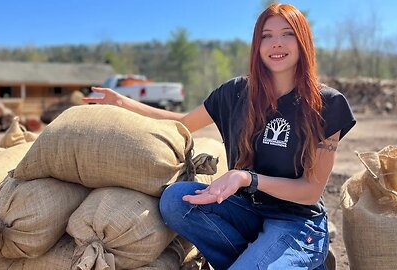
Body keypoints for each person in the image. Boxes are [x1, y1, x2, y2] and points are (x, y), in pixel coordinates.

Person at [83, 3, 356, 269]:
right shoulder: (235, 93)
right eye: (267, 36)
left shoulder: (328, 104)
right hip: (247, 214)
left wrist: (248, 178)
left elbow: (310, 191)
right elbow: (183, 123)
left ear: (303, 41)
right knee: (176, 201)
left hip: (297, 222)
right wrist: (124, 104)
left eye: (287, 34)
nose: (276, 43)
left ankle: (302, 259)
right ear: (256, 45)